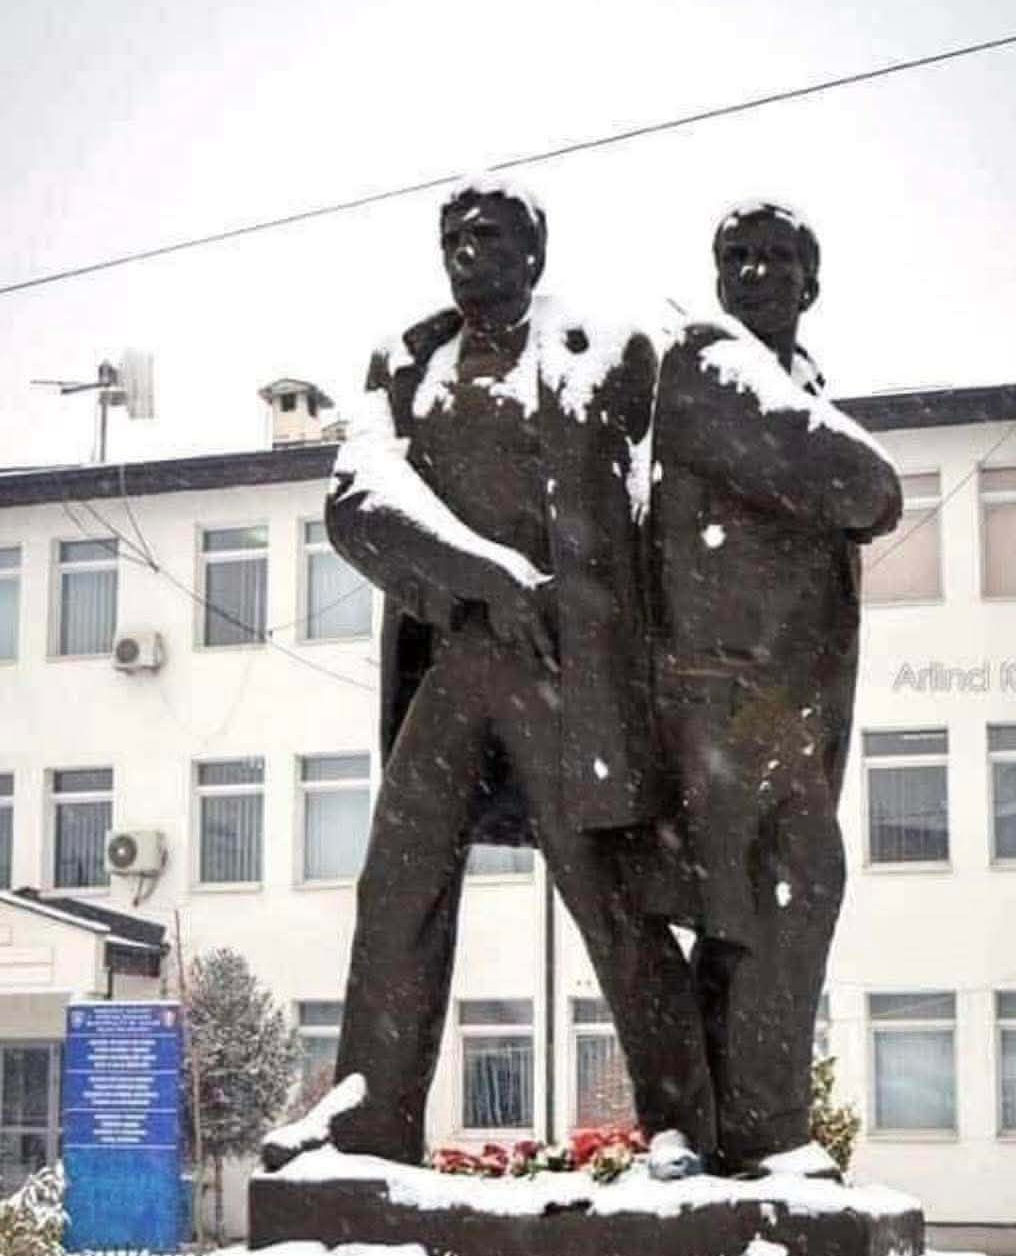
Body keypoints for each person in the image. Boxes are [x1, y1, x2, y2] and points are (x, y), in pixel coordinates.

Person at [264, 177, 715, 1170]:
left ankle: (681, 1118)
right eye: (456, 237)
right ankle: (369, 1113)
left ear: (534, 252)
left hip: (570, 669)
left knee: (608, 891)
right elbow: (359, 494)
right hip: (460, 656)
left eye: (493, 234)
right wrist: (485, 573)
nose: (470, 250)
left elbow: (668, 507)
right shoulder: (408, 364)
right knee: (399, 880)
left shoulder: (609, 349)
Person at [645, 200, 902, 1172]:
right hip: (726, 689)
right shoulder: (707, 365)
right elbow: (862, 486)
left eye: (775, 258)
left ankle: (718, 1128)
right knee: (796, 881)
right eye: (737, 257)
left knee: (744, 910)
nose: (754, 273)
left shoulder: (800, 384)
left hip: (783, 700)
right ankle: (763, 1132)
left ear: (811, 282)